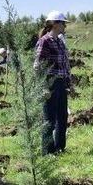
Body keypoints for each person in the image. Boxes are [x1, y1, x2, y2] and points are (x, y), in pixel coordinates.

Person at [35, 10, 71, 155]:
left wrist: (68, 83)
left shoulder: (60, 42)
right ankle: (47, 152)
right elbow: (38, 66)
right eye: (63, 23)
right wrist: (43, 87)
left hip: (61, 84)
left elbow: (65, 65)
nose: (65, 26)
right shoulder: (44, 41)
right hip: (50, 83)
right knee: (49, 119)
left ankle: (60, 148)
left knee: (62, 117)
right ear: (55, 24)